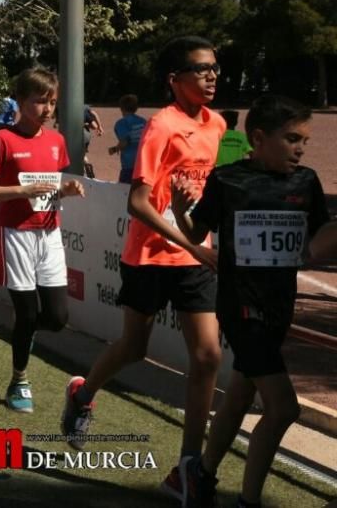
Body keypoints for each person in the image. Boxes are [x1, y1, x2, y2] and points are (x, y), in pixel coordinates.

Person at [61, 36, 224, 499]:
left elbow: (207, 191)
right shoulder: (161, 128)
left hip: (195, 257)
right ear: (175, 80)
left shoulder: (217, 125)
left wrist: (203, 233)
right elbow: (137, 204)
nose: (212, 75)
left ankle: (187, 468)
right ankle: (82, 393)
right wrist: (191, 240)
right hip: (151, 255)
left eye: (215, 67)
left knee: (208, 357)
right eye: (201, 68)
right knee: (134, 348)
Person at [171, 95, 335, 508]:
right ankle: (247, 501)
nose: (300, 148)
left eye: (305, 141)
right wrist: (178, 207)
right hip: (241, 306)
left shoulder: (306, 181)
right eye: (291, 139)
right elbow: (194, 234)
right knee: (283, 409)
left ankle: (200, 475)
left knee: (241, 394)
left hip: (280, 305)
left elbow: (315, 245)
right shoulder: (228, 181)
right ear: (259, 138)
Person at [0, 66, 85, 413]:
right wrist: (20, 189)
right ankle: (19, 380)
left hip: (49, 233)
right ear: (21, 101)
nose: (48, 109)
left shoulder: (56, 142)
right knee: (26, 312)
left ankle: (24, 334)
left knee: (56, 317)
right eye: (40, 102)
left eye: (52, 102)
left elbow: (50, 187)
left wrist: (65, 190)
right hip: (16, 235)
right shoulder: (2, 140)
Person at [108, 94, 147, 184]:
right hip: (142, 162)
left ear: (121, 108)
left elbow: (125, 142)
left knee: (125, 192)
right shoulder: (143, 121)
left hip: (129, 164)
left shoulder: (122, 123)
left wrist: (114, 149)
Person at [82, 105, 104, 179]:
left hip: (75, 135)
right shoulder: (85, 108)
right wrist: (99, 127)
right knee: (82, 154)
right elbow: (94, 126)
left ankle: (83, 169)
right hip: (86, 135)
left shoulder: (65, 108)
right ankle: (87, 166)